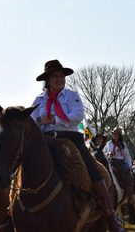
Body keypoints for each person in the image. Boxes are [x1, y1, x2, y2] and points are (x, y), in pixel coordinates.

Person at [30, 60, 123, 232]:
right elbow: (32, 122)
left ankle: (110, 217)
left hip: (71, 139)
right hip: (46, 140)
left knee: (93, 169)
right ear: (47, 80)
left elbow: (78, 116)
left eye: (61, 76)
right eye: (55, 76)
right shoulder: (38, 100)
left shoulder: (71, 96)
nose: (59, 79)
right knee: (25, 168)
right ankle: (11, 214)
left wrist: (53, 119)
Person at [103, 127, 134, 204]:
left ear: (119, 135)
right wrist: (108, 154)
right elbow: (103, 153)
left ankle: (130, 195)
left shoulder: (123, 144)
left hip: (120, 162)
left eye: (116, 134)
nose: (114, 135)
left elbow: (127, 156)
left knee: (127, 175)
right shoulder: (108, 143)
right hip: (111, 161)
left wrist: (130, 165)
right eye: (113, 133)